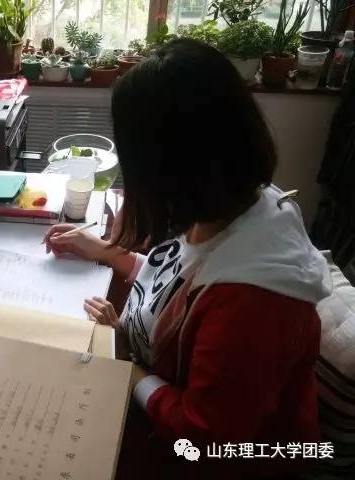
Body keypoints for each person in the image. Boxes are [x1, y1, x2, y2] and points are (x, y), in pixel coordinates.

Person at [44, 39, 331, 478]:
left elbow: (203, 442)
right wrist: (107, 253)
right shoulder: (235, 202)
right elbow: (179, 283)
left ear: (171, 169)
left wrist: (126, 365)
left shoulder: (253, 303)